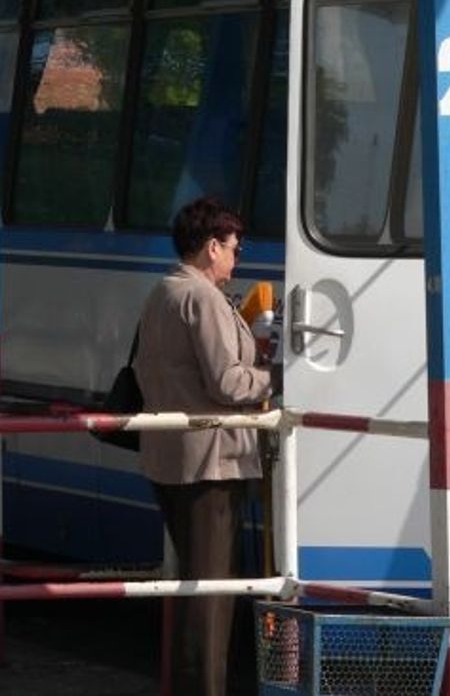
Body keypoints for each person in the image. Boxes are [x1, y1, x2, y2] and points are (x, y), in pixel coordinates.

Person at [133, 196, 273, 696]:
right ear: (212, 246)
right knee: (211, 594)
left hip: (169, 456)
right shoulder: (205, 299)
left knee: (192, 584)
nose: (237, 258)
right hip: (212, 462)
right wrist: (273, 379)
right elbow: (228, 384)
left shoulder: (163, 291)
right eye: (234, 247)